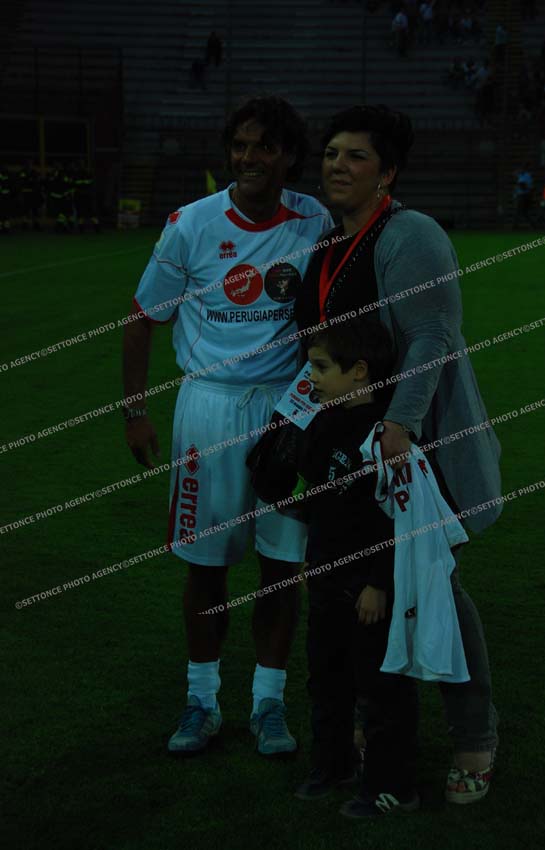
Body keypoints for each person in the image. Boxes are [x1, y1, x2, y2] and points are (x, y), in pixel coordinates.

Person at [294, 104, 501, 804]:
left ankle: (474, 736)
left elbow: (431, 336)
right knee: (361, 586)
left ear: (387, 173)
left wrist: (399, 426)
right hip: (353, 450)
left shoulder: (411, 234)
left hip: (413, 445)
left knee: (435, 583)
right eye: (331, 152)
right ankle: (372, 723)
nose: (338, 165)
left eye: (356, 156)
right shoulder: (331, 242)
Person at [123, 96, 333, 758]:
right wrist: (135, 412)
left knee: (283, 566)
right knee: (206, 568)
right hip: (207, 410)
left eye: (264, 146)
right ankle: (202, 701)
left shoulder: (314, 220)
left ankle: (269, 704)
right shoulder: (190, 224)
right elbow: (142, 319)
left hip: (287, 410)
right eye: (240, 145)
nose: (248, 158)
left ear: (289, 156)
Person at [293, 317, 420, 818]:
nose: (312, 378)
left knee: (381, 685)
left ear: (360, 372)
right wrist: (312, 563)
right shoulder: (324, 422)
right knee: (326, 676)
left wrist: (378, 583)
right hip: (327, 576)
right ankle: (333, 764)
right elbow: (320, 504)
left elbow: (393, 516)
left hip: (367, 587)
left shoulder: (385, 435)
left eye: (322, 368)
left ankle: (394, 786)